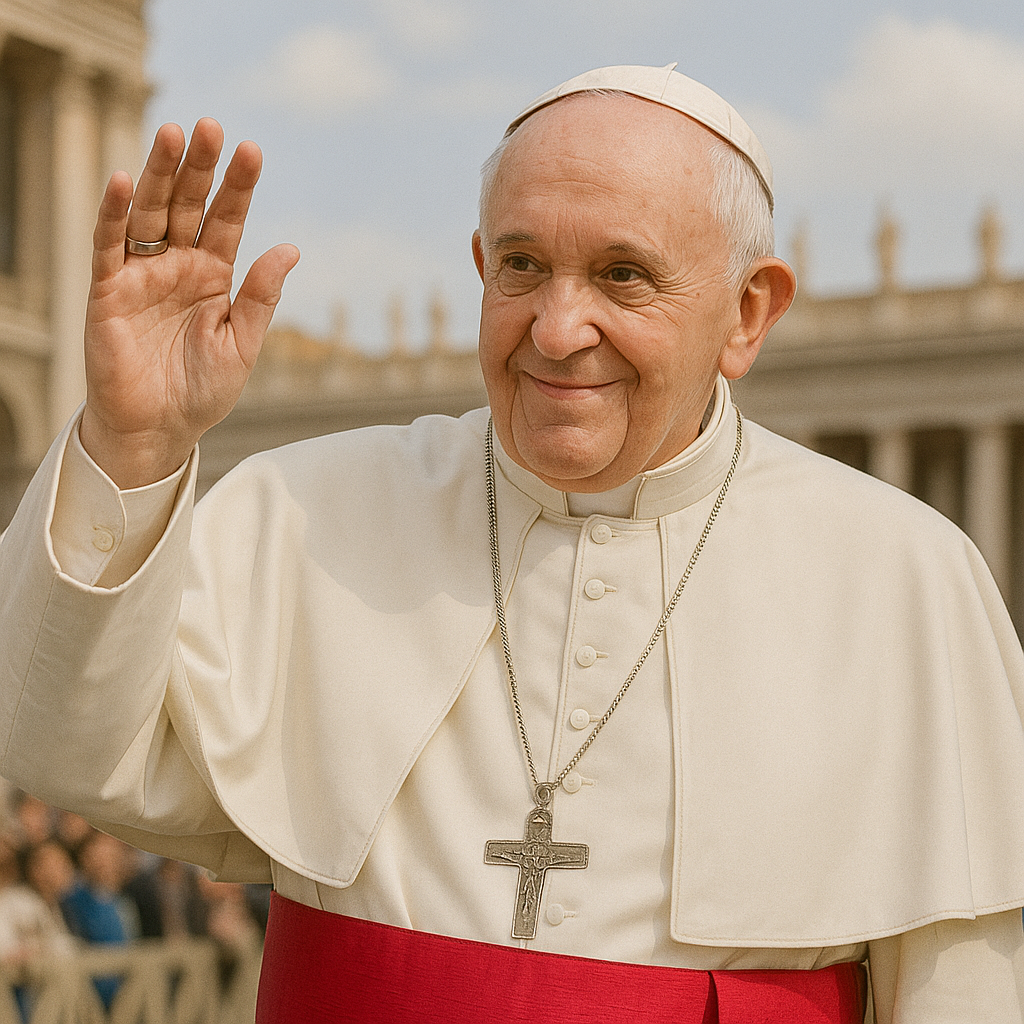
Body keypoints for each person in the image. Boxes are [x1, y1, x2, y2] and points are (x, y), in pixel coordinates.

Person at [0, 62, 1022, 1023]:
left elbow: (965, 991)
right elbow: (63, 747)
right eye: (523, 266)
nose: (556, 326)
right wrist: (130, 446)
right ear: (480, 268)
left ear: (747, 313)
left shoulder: (905, 580)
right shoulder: (312, 508)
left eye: (623, 276)